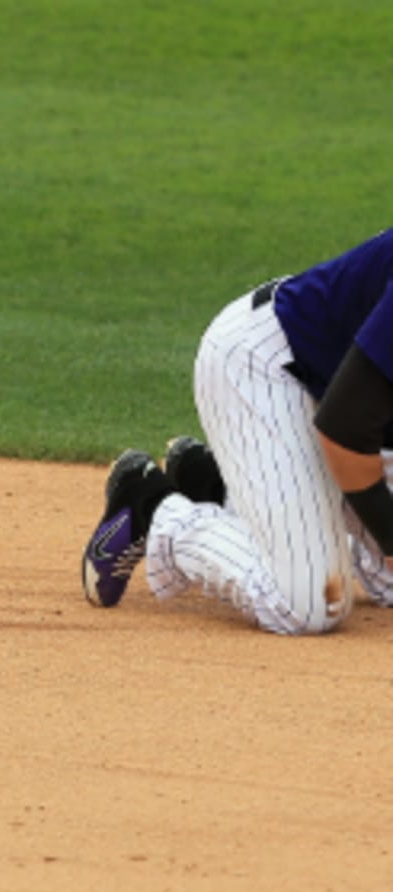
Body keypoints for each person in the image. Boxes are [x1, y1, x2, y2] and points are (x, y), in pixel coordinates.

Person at [82, 228, 393, 635]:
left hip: (344, 393)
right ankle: (155, 508)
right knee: (311, 604)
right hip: (264, 369)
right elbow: (344, 427)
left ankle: (217, 487)